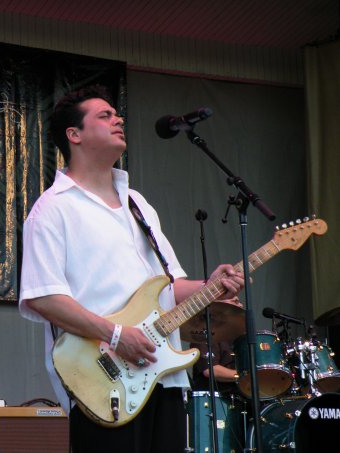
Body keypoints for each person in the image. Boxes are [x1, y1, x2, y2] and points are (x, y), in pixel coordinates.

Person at [18, 85, 244, 452]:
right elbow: (44, 297)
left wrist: (211, 284)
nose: (118, 119)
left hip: (164, 377)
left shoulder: (138, 204)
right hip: (104, 381)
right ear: (73, 135)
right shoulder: (51, 210)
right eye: (104, 116)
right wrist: (117, 335)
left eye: (116, 114)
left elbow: (169, 287)